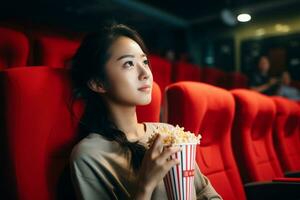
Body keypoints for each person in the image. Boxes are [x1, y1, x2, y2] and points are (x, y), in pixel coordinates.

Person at [69, 23, 221, 200]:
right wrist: (145, 186)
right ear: (98, 83)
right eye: (128, 64)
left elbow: (208, 195)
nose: (145, 73)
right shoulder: (89, 155)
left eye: (145, 62)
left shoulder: (169, 133)